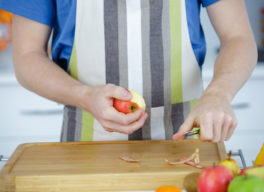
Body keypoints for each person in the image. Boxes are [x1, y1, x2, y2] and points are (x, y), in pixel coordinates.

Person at [0, 0, 257, 142]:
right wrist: (84, 96)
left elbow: (238, 37)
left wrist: (217, 96)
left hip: (187, 135)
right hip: (87, 143)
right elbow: (27, 55)